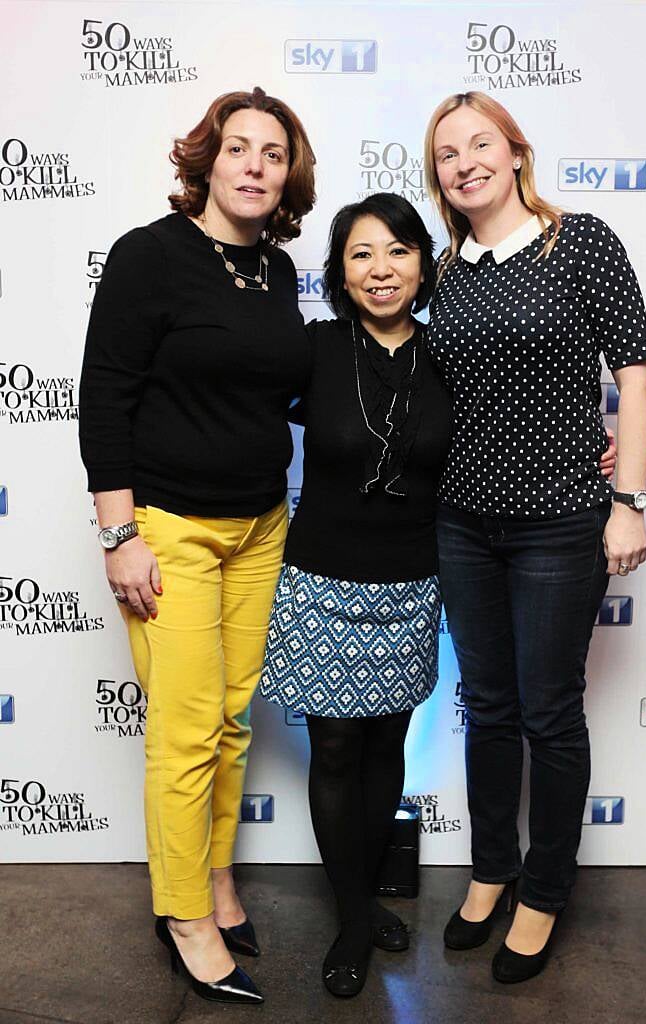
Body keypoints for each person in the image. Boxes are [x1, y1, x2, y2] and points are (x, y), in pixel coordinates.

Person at [78, 88, 315, 1005]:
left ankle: (216, 879)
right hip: (168, 529)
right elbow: (105, 396)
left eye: (273, 153)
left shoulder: (280, 271)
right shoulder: (150, 256)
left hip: (260, 527)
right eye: (238, 148)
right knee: (182, 735)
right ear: (206, 161)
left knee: (231, 721)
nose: (255, 164)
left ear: (287, 175)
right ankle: (183, 915)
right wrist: (119, 535)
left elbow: (281, 392)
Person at [423, 92, 646, 983]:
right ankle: (490, 869)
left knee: (549, 710)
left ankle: (546, 890)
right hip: (462, 521)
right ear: (438, 174)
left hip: (562, 522)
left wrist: (627, 497)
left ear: (515, 153)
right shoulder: (447, 271)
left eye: (480, 143)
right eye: (447, 153)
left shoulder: (580, 242)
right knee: (487, 705)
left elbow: (635, 376)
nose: (465, 162)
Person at [258, 193, 453, 997]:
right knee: (335, 750)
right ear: (341, 270)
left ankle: (362, 896)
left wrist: (603, 446)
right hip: (321, 582)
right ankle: (350, 916)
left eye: (398, 251)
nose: (382, 269)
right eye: (362, 254)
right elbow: (232, 407)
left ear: (422, 263)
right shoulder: (312, 351)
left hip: (412, 582)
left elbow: (515, 416)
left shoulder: (450, 354)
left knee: (384, 752)